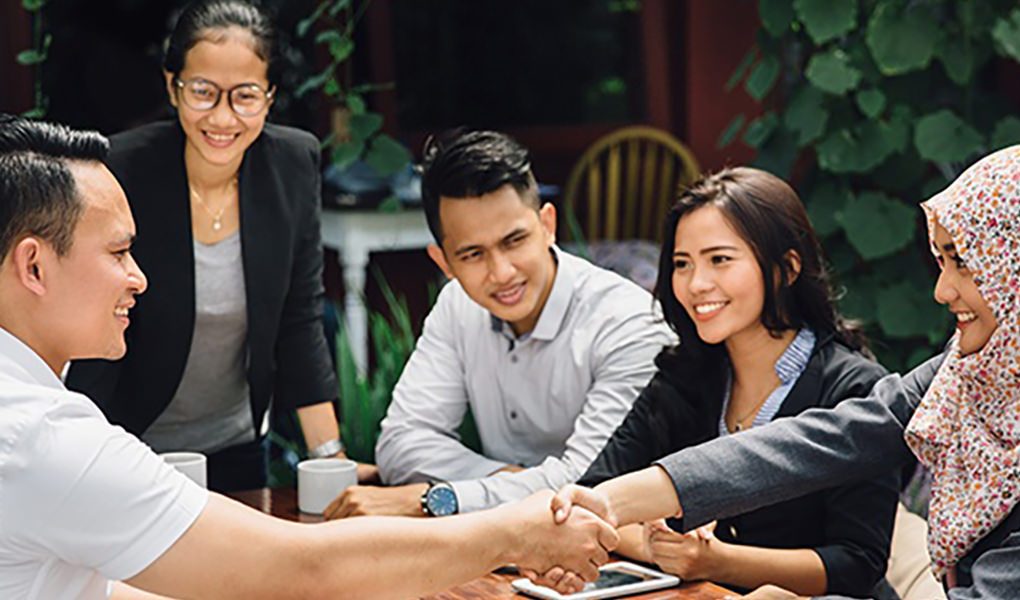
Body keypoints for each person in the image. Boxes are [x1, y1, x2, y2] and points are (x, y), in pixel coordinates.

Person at [0, 114, 617, 600]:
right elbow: (306, 568)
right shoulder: (43, 437)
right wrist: (517, 528)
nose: (139, 278)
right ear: (33, 265)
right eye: (118, 252)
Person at [547, 146, 1020, 599]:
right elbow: (823, 440)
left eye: (964, 263)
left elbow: (858, 561)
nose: (941, 290)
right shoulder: (964, 370)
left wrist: (725, 565)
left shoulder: (850, 378)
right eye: (681, 264)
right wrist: (618, 505)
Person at [64, 0, 370, 492]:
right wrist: (85, 459)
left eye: (245, 95)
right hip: (126, 447)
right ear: (173, 87)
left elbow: (299, 320)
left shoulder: (292, 165)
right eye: (203, 92)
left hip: (236, 447)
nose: (223, 117)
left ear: (269, 97)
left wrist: (331, 461)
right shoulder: (122, 170)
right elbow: (90, 320)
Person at [576, 167, 899, 597]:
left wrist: (717, 560)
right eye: (681, 264)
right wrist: (660, 546)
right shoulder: (683, 374)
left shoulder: (855, 391)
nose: (696, 284)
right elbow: (595, 491)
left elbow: (856, 564)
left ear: (786, 268)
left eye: (720, 260)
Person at [324, 128, 675, 519]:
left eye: (514, 241)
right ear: (444, 263)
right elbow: (401, 444)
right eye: (473, 254)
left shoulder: (630, 324)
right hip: (503, 550)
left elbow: (589, 483)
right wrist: (513, 481)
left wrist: (444, 497)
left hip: (629, 554)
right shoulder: (458, 305)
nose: (502, 272)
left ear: (547, 225)